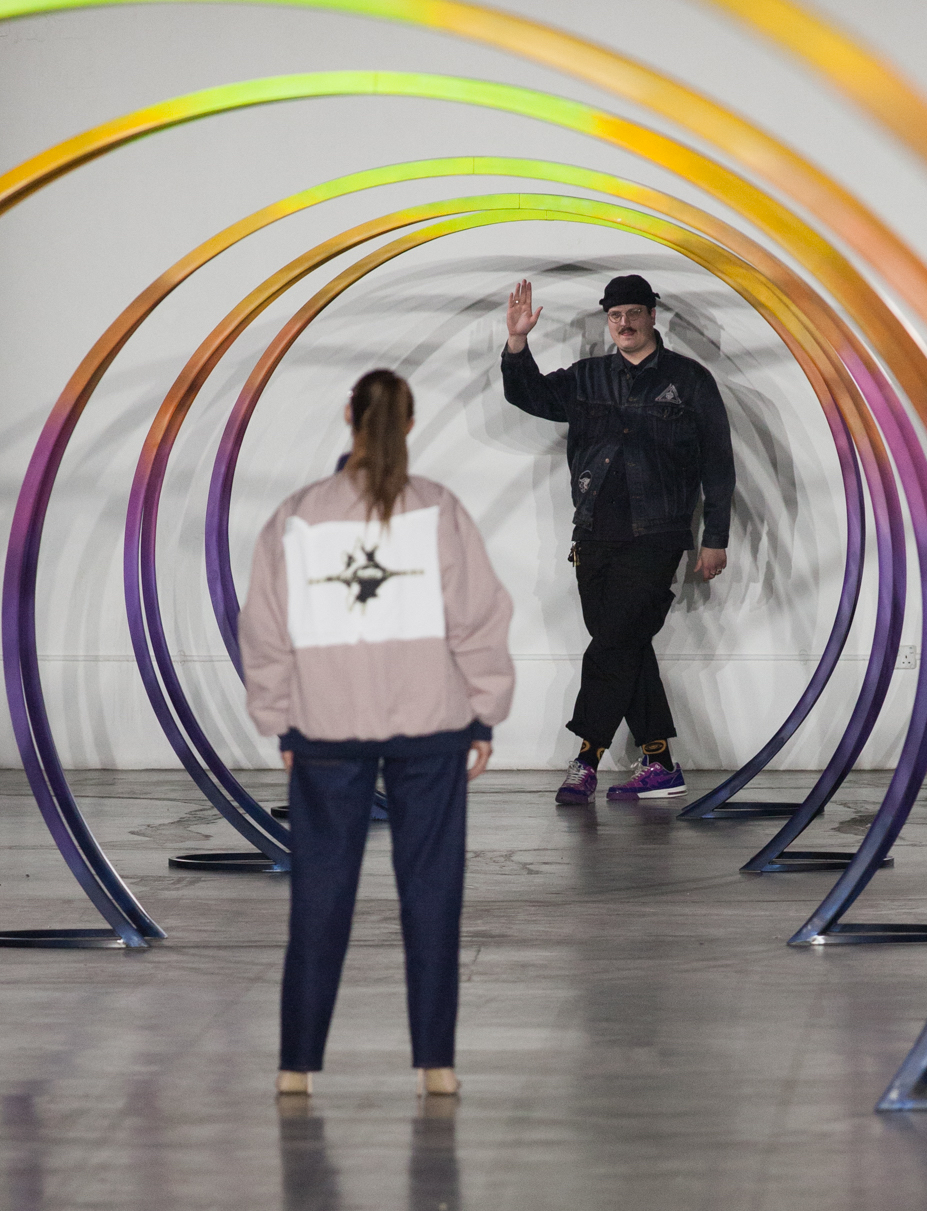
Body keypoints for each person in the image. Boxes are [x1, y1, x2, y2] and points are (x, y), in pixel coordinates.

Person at [239, 369, 514, 1098]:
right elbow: (479, 616)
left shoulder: (299, 515)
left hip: (325, 727)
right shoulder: (438, 509)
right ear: (411, 424)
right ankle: (437, 1067)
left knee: (319, 896)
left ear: (348, 416)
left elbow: (265, 629)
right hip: (432, 725)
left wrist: (278, 719)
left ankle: (295, 1068)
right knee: (433, 895)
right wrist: (484, 710)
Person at [502, 273, 734, 805]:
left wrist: (715, 537)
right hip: (594, 533)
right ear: (607, 322)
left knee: (613, 643)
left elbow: (718, 463)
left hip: (658, 534)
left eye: (633, 313)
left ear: (652, 315)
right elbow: (528, 394)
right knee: (624, 643)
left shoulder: (689, 380)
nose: (624, 323)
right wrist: (517, 342)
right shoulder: (586, 377)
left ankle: (586, 759)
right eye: (614, 316)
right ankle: (659, 763)